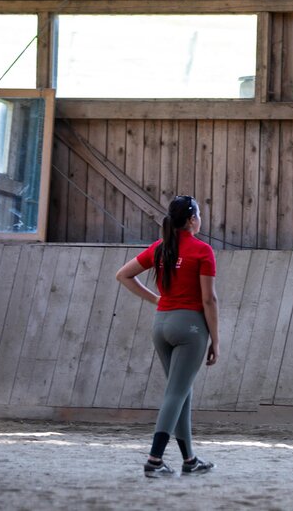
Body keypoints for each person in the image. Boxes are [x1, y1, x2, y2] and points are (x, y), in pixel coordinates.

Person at [115, 195, 220, 478]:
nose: (200, 219)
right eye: (198, 214)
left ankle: (189, 460)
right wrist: (216, 340)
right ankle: (154, 459)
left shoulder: (160, 248)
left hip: (161, 324)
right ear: (191, 219)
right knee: (176, 393)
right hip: (190, 327)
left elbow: (123, 275)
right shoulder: (202, 251)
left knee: (182, 392)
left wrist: (155, 300)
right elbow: (209, 300)